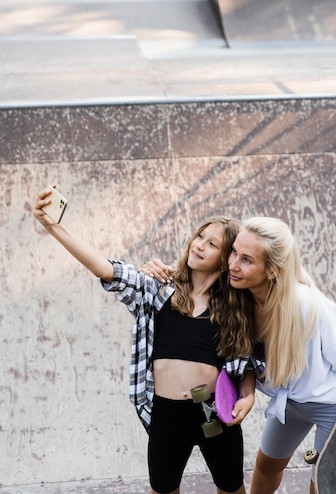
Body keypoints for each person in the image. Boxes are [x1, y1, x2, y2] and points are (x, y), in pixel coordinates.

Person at [32, 186, 256, 494]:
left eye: (212, 243)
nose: (199, 245)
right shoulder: (157, 289)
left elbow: (246, 362)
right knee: (162, 489)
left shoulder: (233, 309)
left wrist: (248, 395)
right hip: (167, 413)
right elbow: (107, 269)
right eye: (200, 236)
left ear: (224, 261)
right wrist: (55, 228)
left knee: (231, 486)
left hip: (212, 409)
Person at [226, 216, 336, 494]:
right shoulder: (239, 297)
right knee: (265, 467)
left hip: (331, 407)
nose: (232, 264)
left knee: (322, 485)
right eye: (234, 252)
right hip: (287, 403)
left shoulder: (313, 308)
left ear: (272, 270)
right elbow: (249, 359)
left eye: (247, 259)